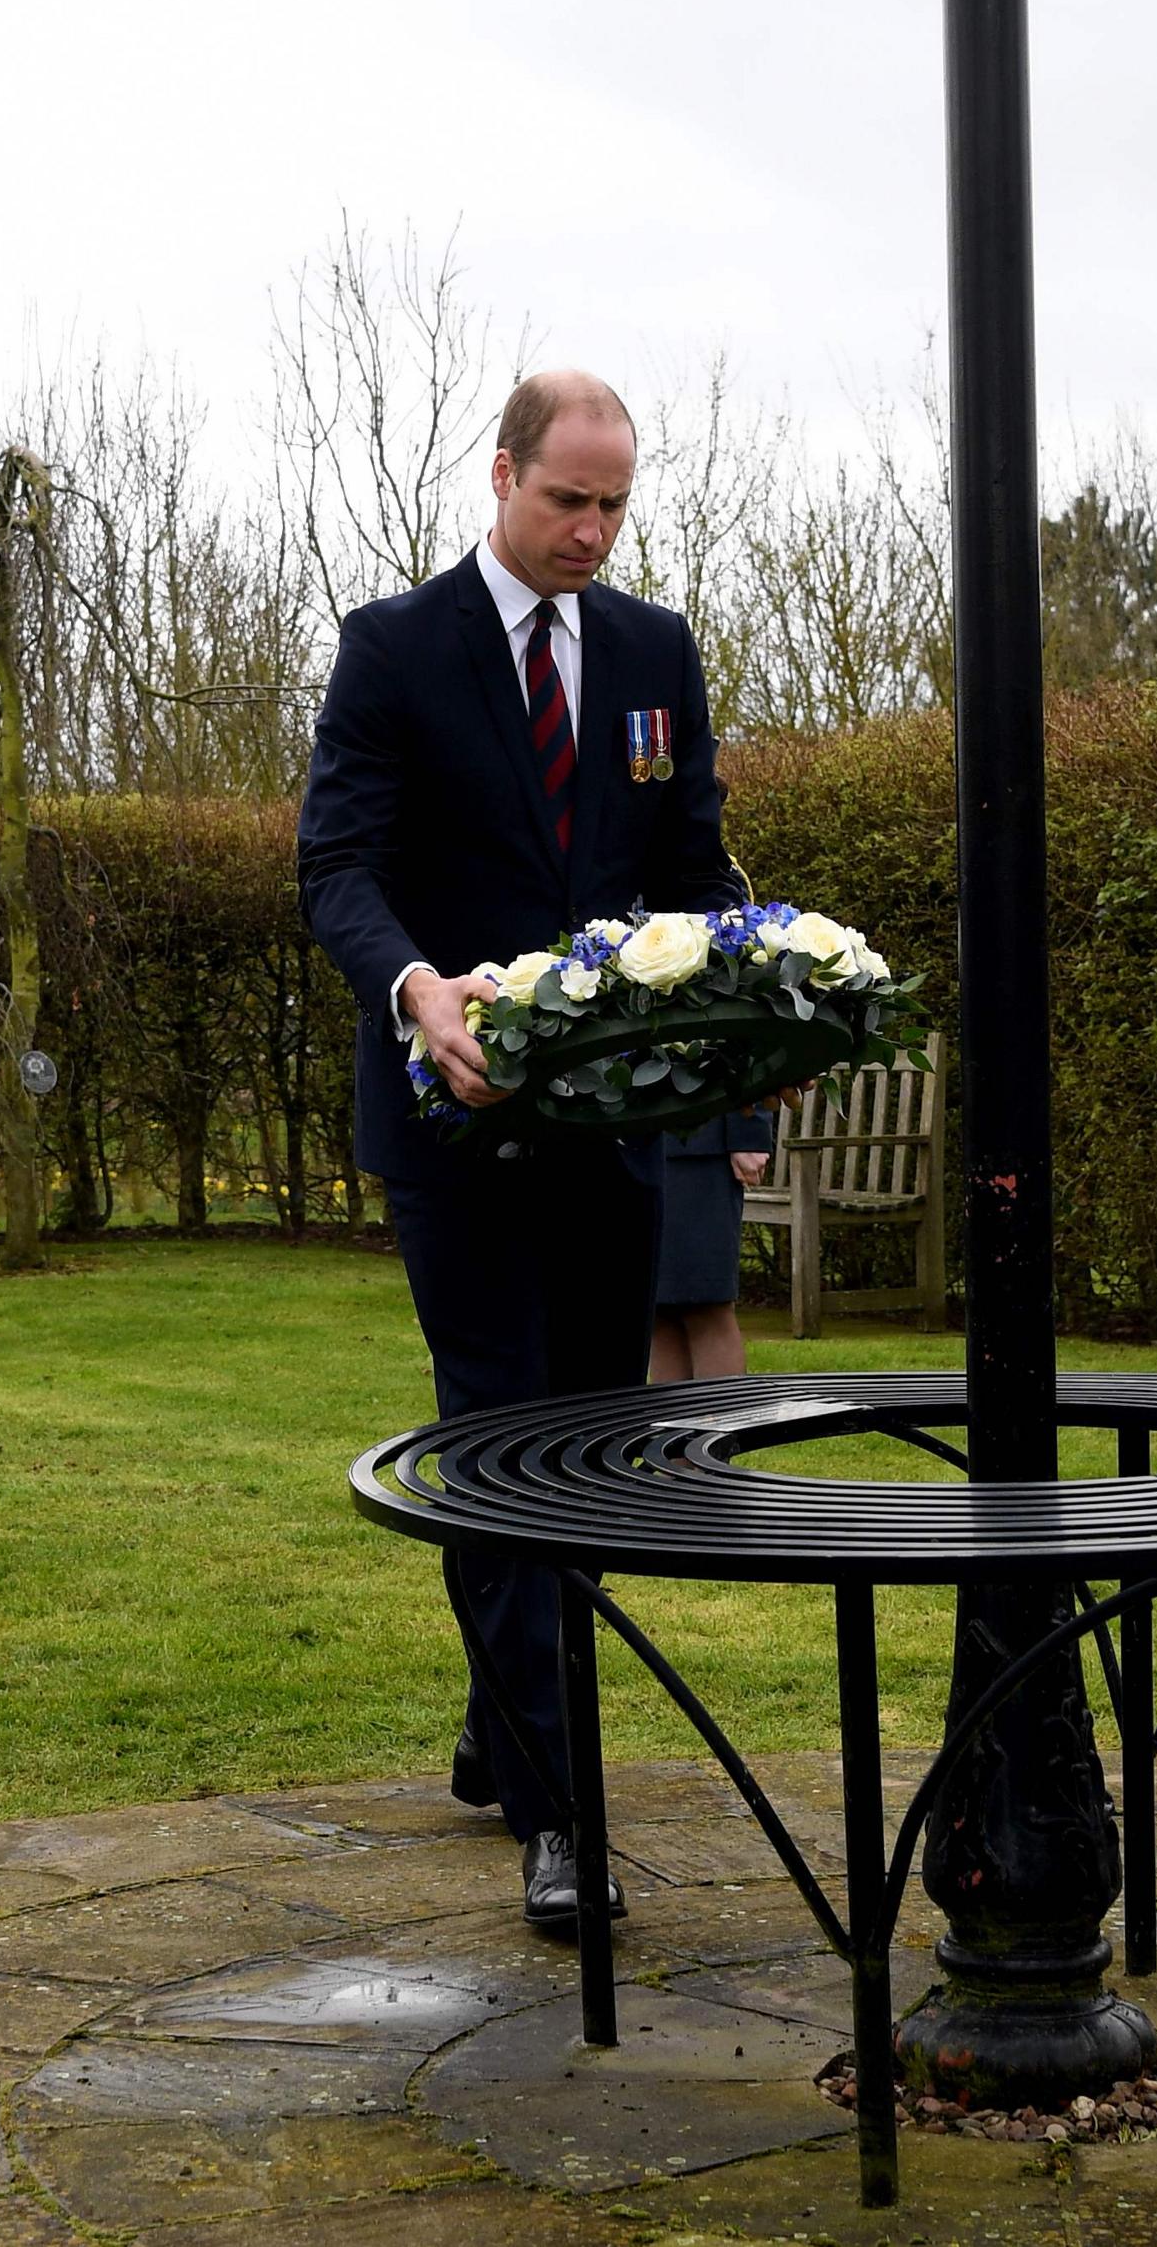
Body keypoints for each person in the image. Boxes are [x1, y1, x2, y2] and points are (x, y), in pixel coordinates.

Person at [298, 371, 737, 1939]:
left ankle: (503, 1722)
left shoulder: (651, 653)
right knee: (499, 1442)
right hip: (455, 1126)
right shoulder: (394, 650)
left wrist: (757, 1023)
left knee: (593, 1448)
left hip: (607, 1135)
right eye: (568, 499)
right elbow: (337, 865)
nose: (592, 531)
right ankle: (564, 1810)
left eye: (617, 504)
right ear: (501, 475)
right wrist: (417, 990)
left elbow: (691, 869)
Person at [649, 1106, 776, 1382]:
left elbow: (747, 1062)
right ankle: (674, 1426)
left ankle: (726, 1424)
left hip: (700, 1143)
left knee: (705, 1304)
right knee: (658, 1309)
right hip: (637, 1139)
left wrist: (749, 1130)